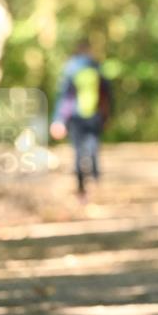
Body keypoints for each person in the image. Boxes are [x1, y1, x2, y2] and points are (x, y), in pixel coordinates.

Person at [49, 39, 113, 200]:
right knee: (93, 149)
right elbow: (108, 95)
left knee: (78, 153)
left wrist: (58, 119)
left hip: (75, 117)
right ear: (89, 51)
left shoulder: (70, 69)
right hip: (95, 115)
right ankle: (97, 183)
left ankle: (81, 190)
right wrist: (108, 115)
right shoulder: (97, 67)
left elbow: (64, 97)